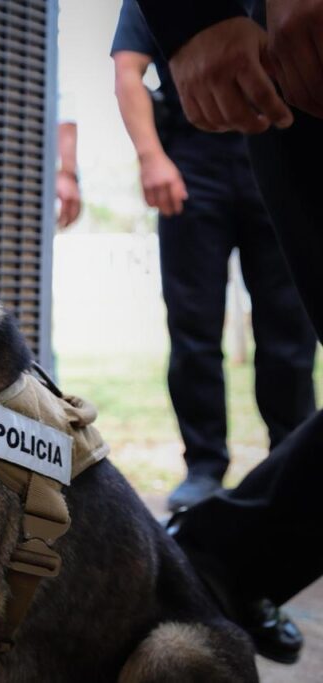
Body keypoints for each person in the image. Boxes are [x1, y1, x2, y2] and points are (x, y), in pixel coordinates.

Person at [136, 0, 323, 666]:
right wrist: (193, 13)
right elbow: (130, 69)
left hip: (266, 121)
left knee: (287, 342)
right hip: (289, 81)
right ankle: (208, 500)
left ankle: (214, 558)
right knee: (194, 330)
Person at [110, 0, 316, 513]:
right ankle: (204, 465)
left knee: (290, 327)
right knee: (193, 325)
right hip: (193, 156)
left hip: (283, 136)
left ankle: (292, 462)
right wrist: (152, 157)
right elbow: (127, 69)